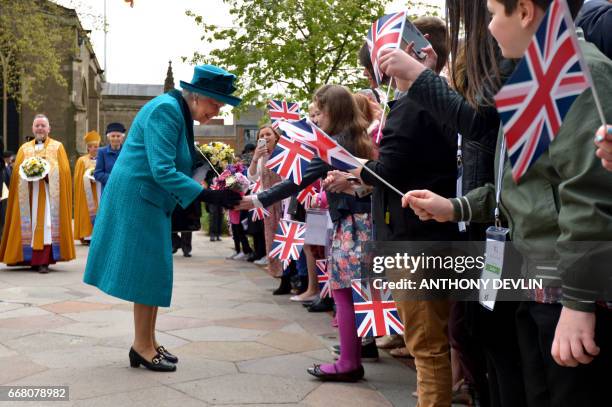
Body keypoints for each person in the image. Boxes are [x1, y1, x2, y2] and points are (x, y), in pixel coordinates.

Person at [403, 0, 612, 405]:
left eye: (494, 13)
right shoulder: (533, 77)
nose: (490, 28)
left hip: (563, 286)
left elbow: (589, 195)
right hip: (534, 277)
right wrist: (457, 207)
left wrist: (578, 301)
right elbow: (521, 186)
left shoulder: (579, 71)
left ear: (526, 12)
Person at [83, 65, 242, 372]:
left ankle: (147, 342)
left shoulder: (177, 111)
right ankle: (142, 346)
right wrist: (208, 195)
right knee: (147, 270)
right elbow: (162, 169)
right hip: (139, 197)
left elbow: (176, 157)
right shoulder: (167, 111)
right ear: (197, 96)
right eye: (215, 103)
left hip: (148, 197)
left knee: (154, 269)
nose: (217, 110)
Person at [239, 84, 376, 382]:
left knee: (343, 291)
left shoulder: (334, 144)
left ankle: (349, 362)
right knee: (352, 291)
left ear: (334, 112)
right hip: (361, 222)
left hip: (351, 224)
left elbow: (297, 180)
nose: (315, 118)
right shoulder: (356, 138)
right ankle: (353, 355)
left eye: (320, 110)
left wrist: (255, 199)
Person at [0, 114, 75, 273]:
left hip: (48, 195)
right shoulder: (24, 149)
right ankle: (27, 257)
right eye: (37, 125)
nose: (40, 128)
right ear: (33, 128)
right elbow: (15, 175)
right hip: (28, 195)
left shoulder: (57, 147)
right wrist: (27, 174)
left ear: (49, 128)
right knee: (29, 225)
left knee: (47, 224)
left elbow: (65, 172)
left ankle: (43, 261)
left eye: (43, 125)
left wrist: (47, 173)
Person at [246, 125, 284, 275]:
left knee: (284, 239)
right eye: (261, 136)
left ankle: (289, 275)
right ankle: (278, 275)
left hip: (283, 202)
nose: (265, 137)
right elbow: (252, 177)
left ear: (276, 137)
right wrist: (255, 158)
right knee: (271, 239)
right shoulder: (260, 157)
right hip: (268, 204)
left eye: (268, 134)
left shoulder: (283, 153)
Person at [74, 131, 102, 246]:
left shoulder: (102, 158)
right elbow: (77, 178)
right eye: (93, 147)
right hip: (87, 192)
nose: (95, 149)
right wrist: (87, 179)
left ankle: (99, 234)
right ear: (88, 148)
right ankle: (88, 235)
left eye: (97, 147)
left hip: (99, 188)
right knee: (87, 212)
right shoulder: (82, 160)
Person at [94, 122, 126, 194]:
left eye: (118, 136)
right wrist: (113, 178)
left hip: (124, 190)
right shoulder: (102, 152)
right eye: (113, 136)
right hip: (108, 191)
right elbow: (97, 173)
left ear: (122, 137)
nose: (115, 138)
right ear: (108, 137)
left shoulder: (127, 152)